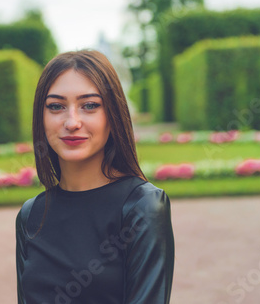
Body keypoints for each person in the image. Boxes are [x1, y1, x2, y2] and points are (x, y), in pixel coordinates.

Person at [15, 49, 175, 304]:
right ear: (41, 117)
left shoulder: (143, 207)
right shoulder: (30, 215)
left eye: (89, 105)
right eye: (56, 106)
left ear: (112, 115)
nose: (72, 122)